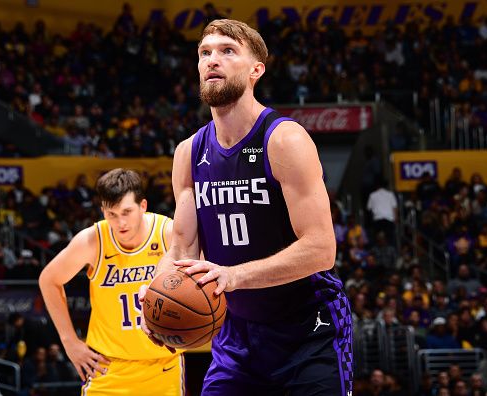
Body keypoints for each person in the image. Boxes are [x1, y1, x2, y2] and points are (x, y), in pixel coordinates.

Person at [140, 19, 352, 395]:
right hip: (236, 336)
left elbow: (321, 248)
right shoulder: (188, 153)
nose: (212, 60)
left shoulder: (284, 139)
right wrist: (158, 295)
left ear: (256, 70)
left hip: (308, 330)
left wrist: (234, 276)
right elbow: (181, 250)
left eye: (227, 51)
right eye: (205, 53)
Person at [39, 169, 184, 395]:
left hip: (163, 366)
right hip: (108, 369)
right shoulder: (92, 240)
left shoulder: (168, 233)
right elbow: (48, 280)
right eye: (112, 214)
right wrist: (69, 341)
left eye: (127, 212)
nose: (120, 222)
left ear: (143, 206)